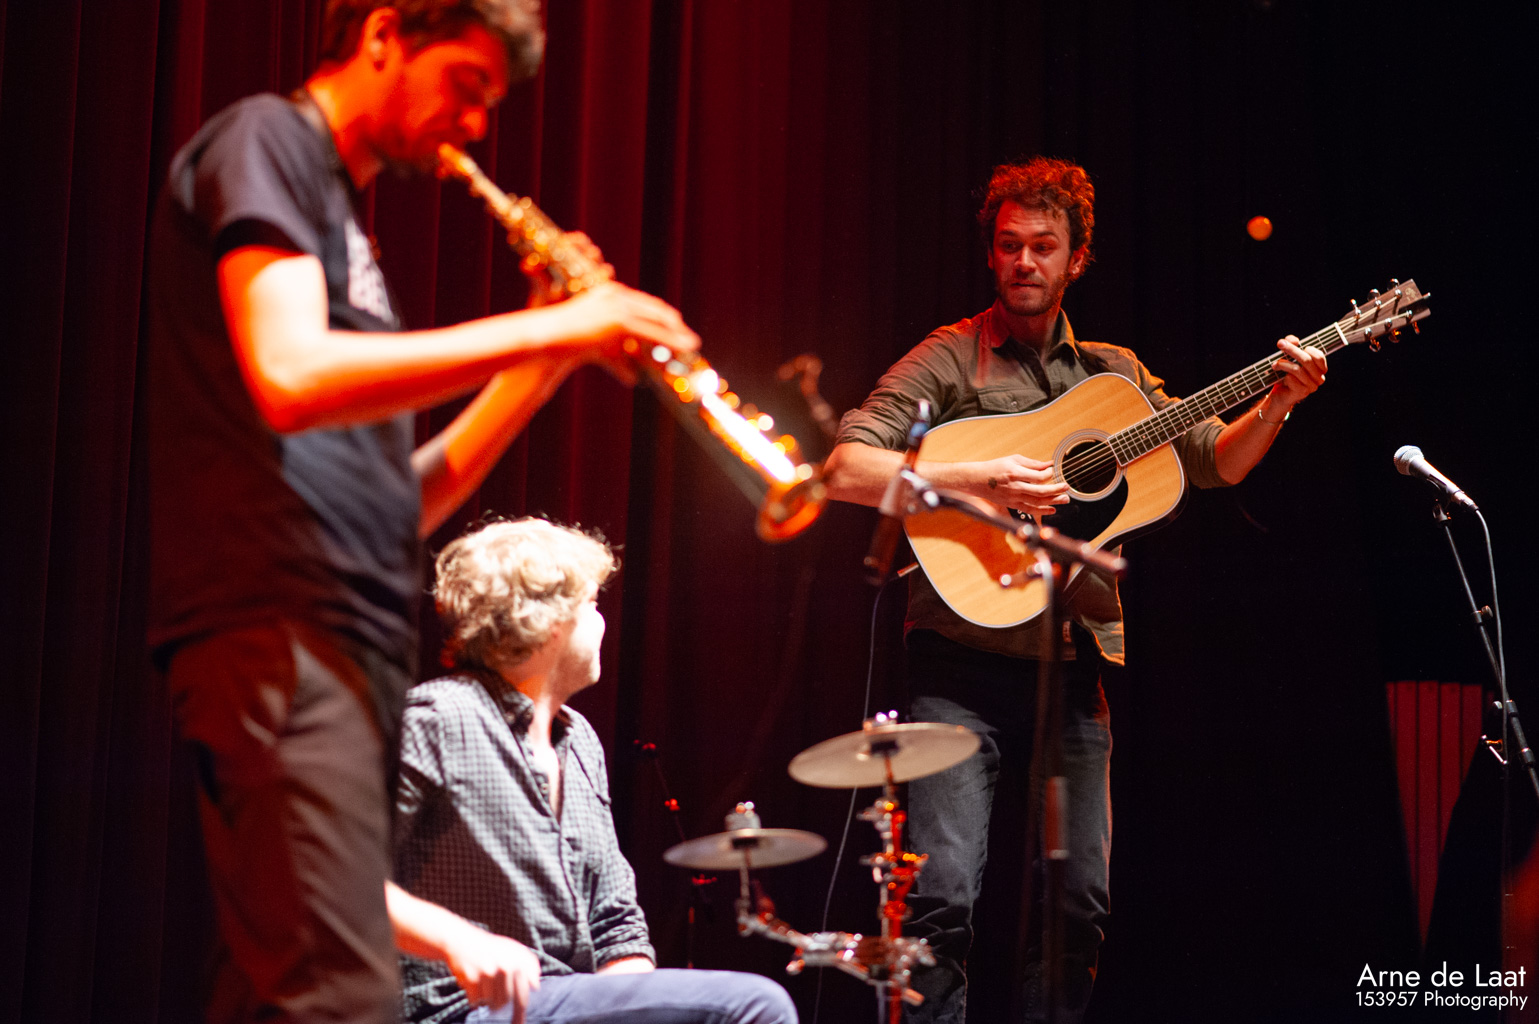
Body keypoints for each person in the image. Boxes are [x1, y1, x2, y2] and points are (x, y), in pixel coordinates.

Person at [146, 2, 699, 1021]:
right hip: (272, 623)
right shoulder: (270, 139)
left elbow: (398, 504)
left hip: (339, 637)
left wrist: (546, 357)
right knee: (327, 987)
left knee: (287, 982)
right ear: (383, 35)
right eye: (466, 85)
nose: (476, 124)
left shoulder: (342, 224)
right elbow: (289, 372)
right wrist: (557, 327)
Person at [822, 158, 1327, 1023]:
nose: (1024, 261)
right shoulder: (948, 356)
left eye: (1043, 246)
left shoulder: (1112, 375)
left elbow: (1216, 460)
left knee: (1077, 908)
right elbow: (844, 467)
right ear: (991, 252)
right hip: (957, 668)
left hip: (1073, 670)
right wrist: (979, 476)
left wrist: (1279, 401)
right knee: (940, 899)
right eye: (1008, 244)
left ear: (1076, 259)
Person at [389, 518, 799, 1024]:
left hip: (557, 1001)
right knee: (756, 1006)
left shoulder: (579, 739)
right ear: (548, 622)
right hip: (457, 1009)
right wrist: (457, 940)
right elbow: (324, 874)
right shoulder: (436, 719)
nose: (603, 623)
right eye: (592, 605)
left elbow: (615, 923)